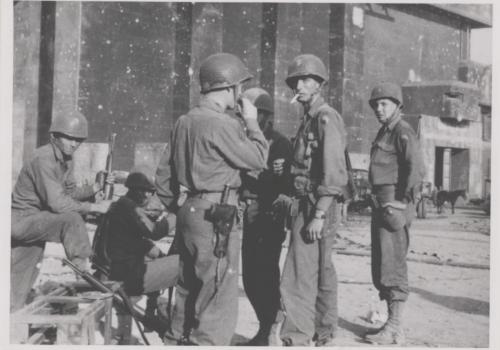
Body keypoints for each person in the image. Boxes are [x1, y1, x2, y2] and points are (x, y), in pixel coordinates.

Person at [163, 52, 268, 345]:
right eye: (239, 87)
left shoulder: (184, 122)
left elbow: (163, 177)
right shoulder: (223, 124)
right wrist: (251, 122)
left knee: (187, 285)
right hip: (217, 214)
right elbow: (258, 158)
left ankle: (175, 340)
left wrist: (178, 209)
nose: (240, 94)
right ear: (229, 88)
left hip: (189, 210)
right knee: (218, 288)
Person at [10, 109, 112, 312]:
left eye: (78, 140)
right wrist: (95, 207)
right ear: (54, 136)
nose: (74, 144)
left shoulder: (66, 159)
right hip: (22, 220)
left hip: (37, 221)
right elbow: (58, 204)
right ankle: (81, 265)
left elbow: (70, 193)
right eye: (70, 138)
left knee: (18, 283)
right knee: (71, 219)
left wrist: (95, 189)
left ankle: (12, 322)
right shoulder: (43, 159)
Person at [277, 54, 348, 346]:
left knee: (297, 274)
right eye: (296, 82)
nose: (300, 86)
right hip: (310, 203)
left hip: (315, 206)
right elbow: (309, 162)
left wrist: (319, 214)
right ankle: (323, 330)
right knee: (321, 270)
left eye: (306, 80)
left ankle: (296, 336)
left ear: (319, 84)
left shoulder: (324, 117)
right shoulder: (309, 120)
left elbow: (334, 169)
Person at [364, 82, 424, 345]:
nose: (379, 108)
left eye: (384, 104)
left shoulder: (402, 131)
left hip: (392, 204)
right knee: (380, 267)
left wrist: (403, 202)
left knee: (393, 266)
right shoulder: (384, 132)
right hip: (380, 203)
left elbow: (416, 168)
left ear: (398, 105)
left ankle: (394, 326)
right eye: (376, 104)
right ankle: (392, 325)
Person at [239, 87, 293, 346]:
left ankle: (271, 328)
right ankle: (264, 326)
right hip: (247, 213)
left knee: (266, 273)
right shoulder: (242, 138)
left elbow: (287, 183)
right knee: (249, 276)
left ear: (265, 115)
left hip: (268, 214)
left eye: (253, 113)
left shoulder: (279, 142)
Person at [101, 171, 179, 343]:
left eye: (150, 192)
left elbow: (136, 242)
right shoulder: (130, 207)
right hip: (126, 276)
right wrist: (176, 215)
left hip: (118, 270)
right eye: (145, 191)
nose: (148, 196)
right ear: (135, 191)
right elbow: (155, 231)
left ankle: (152, 318)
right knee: (183, 265)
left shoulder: (120, 205)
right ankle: (176, 330)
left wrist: (159, 254)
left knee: (161, 260)